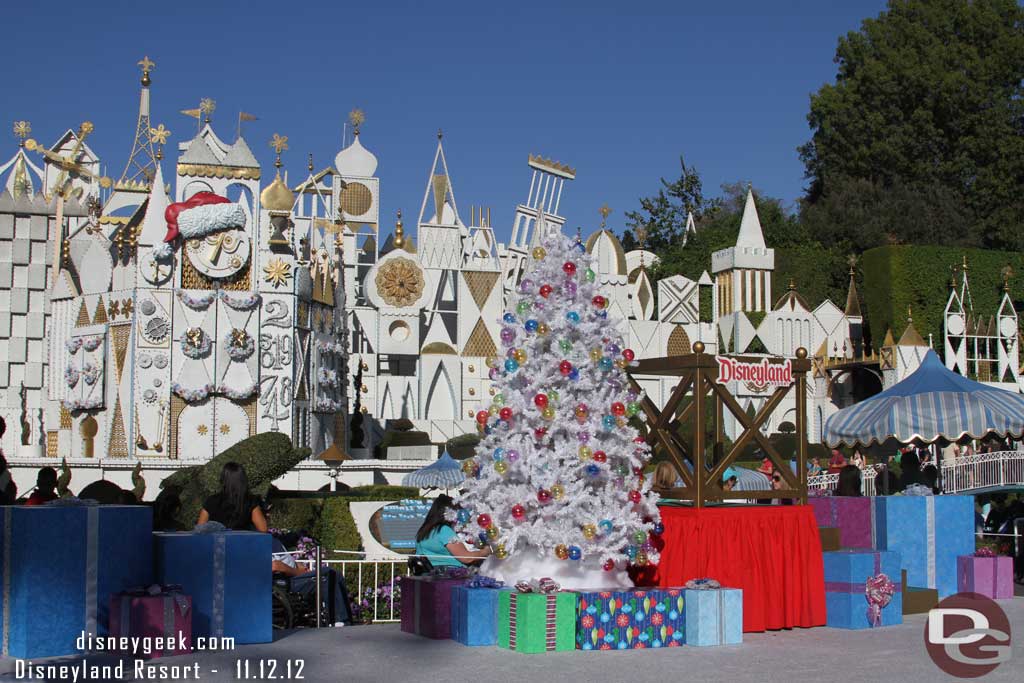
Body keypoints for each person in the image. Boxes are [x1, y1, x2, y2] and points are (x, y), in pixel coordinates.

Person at [271, 538, 352, 627]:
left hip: (294, 575)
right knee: (326, 576)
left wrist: (300, 567)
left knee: (336, 573)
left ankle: (346, 620)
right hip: (286, 582)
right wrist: (299, 572)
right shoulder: (262, 543)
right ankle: (337, 620)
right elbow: (276, 566)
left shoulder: (275, 542)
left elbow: (287, 562)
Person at [414, 495, 490, 567]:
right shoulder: (444, 531)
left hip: (430, 575)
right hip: (453, 575)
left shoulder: (424, 531)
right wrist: (485, 551)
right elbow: (466, 558)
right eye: (456, 512)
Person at [197, 462, 268, 532]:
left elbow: (200, 528)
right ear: (243, 480)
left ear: (223, 479)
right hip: (242, 542)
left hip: (217, 542)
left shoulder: (211, 500)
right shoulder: (251, 501)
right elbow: (263, 529)